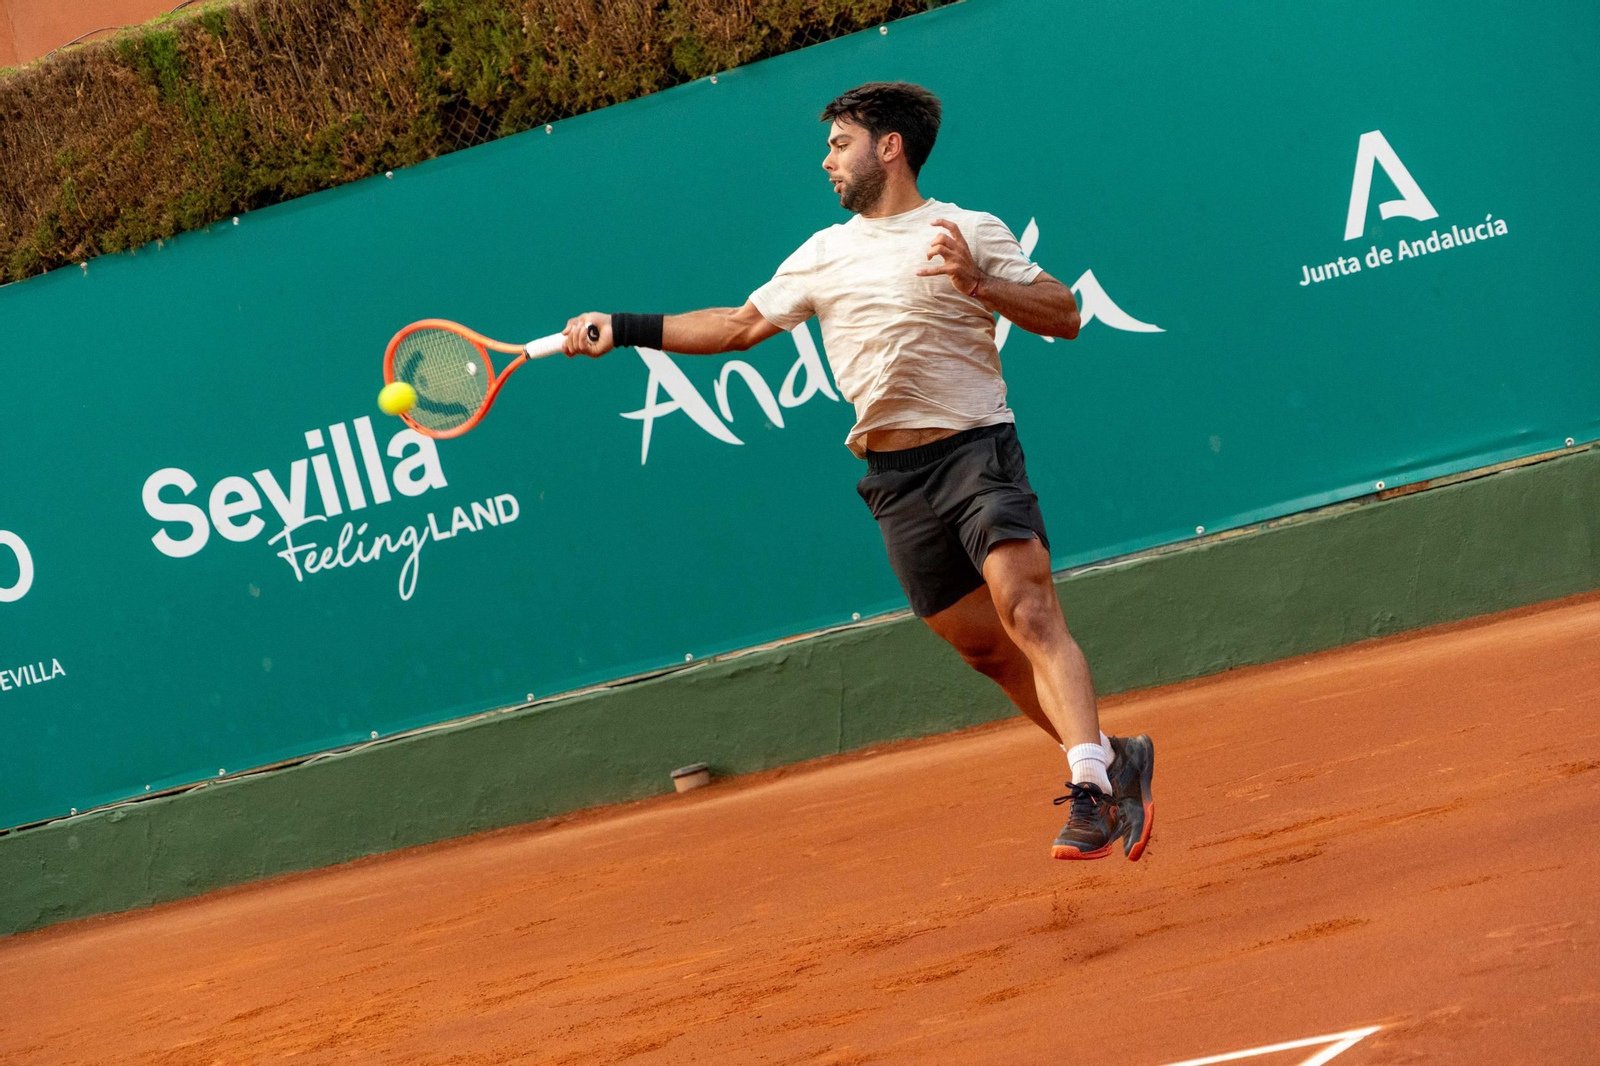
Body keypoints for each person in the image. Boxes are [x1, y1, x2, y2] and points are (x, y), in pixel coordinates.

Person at [563, 81, 1154, 861]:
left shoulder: (968, 228)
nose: (826, 160)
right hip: (894, 477)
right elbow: (737, 326)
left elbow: (1065, 313)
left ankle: (1090, 789)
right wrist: (624, 327)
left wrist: (980, 282)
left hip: (975, 447)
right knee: (985, 649)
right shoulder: (822, 254)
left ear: (890, 147)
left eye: (839, 143)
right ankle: (1114, 757)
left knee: (1029, 609)